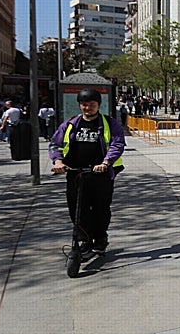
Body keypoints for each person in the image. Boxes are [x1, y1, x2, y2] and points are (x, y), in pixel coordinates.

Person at [49, 88, 126, 257]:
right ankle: (85, 239)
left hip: (100, 174)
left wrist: (105, 163)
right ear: (79, 105)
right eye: (84, 105)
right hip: (76, 173)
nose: (87, 108)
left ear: (98, 105)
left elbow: (117, 144)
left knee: (100, 208)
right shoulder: (70, 124)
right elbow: (55, 144)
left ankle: (100, 238)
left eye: (91, 104)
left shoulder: (109, 123)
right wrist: (58, 161)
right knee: (76, 209)